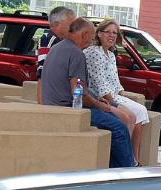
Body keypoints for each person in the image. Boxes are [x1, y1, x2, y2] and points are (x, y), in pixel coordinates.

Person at [38, 17, 136, 168]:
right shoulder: (76, 53)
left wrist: (96, 100)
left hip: (53, 105)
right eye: (90, 38)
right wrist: (100, 105)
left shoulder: (57, 48)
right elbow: (78, 93)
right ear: (84, 34)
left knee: (114, 121)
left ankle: (118, 166)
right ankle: (127, 169)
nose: (91, 42)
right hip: (68, 109)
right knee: (119, 127)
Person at [85, 19, 149, 160]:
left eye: (115, 33)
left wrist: (124, 97)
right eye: (108, 32)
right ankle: (126, 159)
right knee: (130, 116)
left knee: (141, 111)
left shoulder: (111, 54)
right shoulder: (95, 52)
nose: (112, 35)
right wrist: (115, 103)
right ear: (99, 34)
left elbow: (116, 82)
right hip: (101, 98)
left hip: (114, 94)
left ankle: (134, 158)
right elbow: (99, 84)